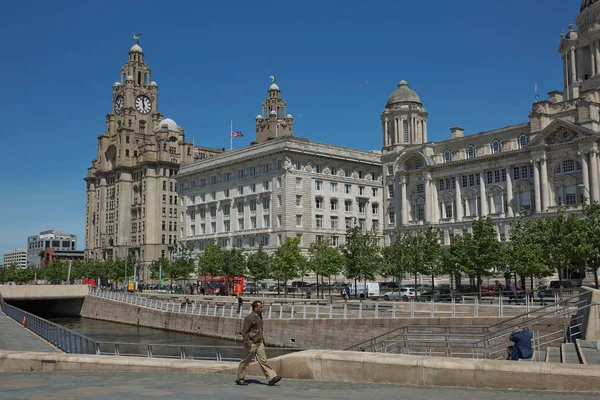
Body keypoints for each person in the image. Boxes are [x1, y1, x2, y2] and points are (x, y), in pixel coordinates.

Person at [236, 300, 281, 386]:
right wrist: (249, 343)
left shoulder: (260, 316)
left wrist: (262, 339)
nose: (263, 308)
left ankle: (271, 378)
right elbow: (244, 332)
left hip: (259, 343)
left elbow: (259, 330)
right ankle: (240, 379)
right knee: (246, 362)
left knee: (264, 361)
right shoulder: (249, 318)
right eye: (261, 307)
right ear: (256, 308)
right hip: (252, 343)